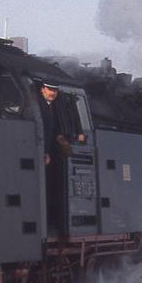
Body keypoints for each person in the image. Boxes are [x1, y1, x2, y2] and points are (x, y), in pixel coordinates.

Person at [37, 81, 84, 233]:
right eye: (49, 90)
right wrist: (45, 152)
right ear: (42, 90)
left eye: (55, 91)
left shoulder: (54, 106)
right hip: (44, 152)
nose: (52, 93)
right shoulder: (40, 107)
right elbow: (43, 132)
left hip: (51, 152)